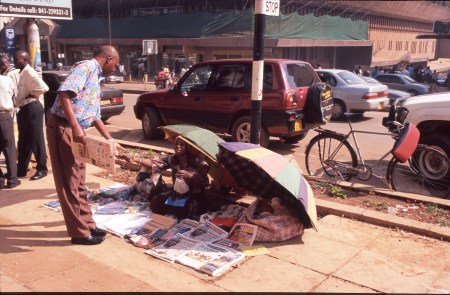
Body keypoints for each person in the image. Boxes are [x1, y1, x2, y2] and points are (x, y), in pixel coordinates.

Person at [46, 45, 124, 246]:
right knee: (69, 182)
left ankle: (87, 223)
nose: (115, 68)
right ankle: (78, 232)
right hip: (64, 128)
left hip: (77, 131)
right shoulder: (86, 68)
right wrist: (75, 127)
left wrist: (109, 140)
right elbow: (64, 93)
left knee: (80, 180)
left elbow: (95, 114)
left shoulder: (96, 76)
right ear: (108, 59)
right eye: (115, 64)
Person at [132, 136, 210, 220]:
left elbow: (204, 183)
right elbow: (156, 163)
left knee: (186, 212)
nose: (178, 146)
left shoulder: (196, 161)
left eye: (182, 144)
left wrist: (190, 176)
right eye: (176, 144)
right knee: (155, 204)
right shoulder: (172, 159)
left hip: (193, 195)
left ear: (187, 147)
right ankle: (174, 209)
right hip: (177, 194)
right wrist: (137, 159)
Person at [13, 51, 49, 181]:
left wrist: (31, 95)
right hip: (23, 108)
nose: (15, 61)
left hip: (32, 107)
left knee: (36, 139)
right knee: (23, 141)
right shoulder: (20, 73)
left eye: (17, 59)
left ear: (25, 59)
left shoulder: (30, 72)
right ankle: (21, 169)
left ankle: (42, 169)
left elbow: (44, 87)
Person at [0, 74, 20, 189]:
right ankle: (12, 180)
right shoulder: (7, 80)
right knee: (9, 148)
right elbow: (15, 97)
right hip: (4, 116)